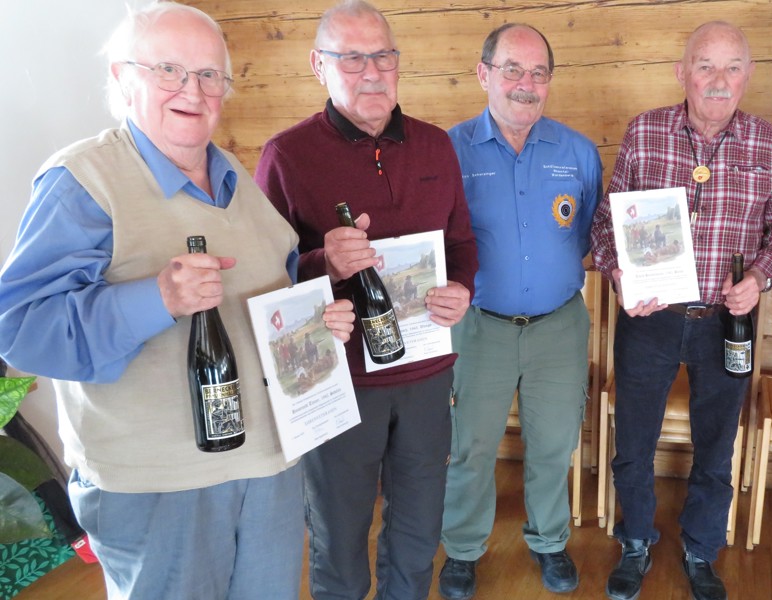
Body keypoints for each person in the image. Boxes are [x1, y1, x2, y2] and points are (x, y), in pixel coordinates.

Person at [0, 3, 355, 598]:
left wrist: (319, 322)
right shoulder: (83, 182)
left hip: (270, 466)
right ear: (122, 78)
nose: (193, 90)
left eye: (210, 74)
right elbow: (20, 329)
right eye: (169, 69)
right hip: (160, 485)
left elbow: (275, 292)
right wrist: (157, 298)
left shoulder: (237, 178)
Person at [253, 2, 478, 599]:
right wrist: (320, 263)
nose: (371, 71)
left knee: (417, 529)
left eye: (382, 55)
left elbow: (460, 243)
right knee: (339, 536)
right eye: (351, 58)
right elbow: (262, 278)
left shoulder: (435, 146)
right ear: (318, 66)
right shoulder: (287, 155)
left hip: (428, 375)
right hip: (337, 384)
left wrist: (462, 290)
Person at [589, 21, 772, 600]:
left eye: (732, 67)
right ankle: (635, 540)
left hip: (727, 325)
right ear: (682, 72)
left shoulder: (766, 141)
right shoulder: (645, 131)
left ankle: (701, 548)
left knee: (716, 442)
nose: (718, 79)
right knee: (633, 439)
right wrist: (616, 272)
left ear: (749, 76)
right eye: (705, 65)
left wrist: (758, 279)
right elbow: (606, 223)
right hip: (650, 321)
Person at [437, 23, 602, 600]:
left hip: (559, 325)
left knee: (554, 442)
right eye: (513, 69)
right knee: (471, 444)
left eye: (538, 73)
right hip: (479, 327)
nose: (525, 84)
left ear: (550, 83)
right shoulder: (449, 150)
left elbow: (584, 236)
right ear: (484, 74)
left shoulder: (577, 151)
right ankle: (461, 549)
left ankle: (549, 540)